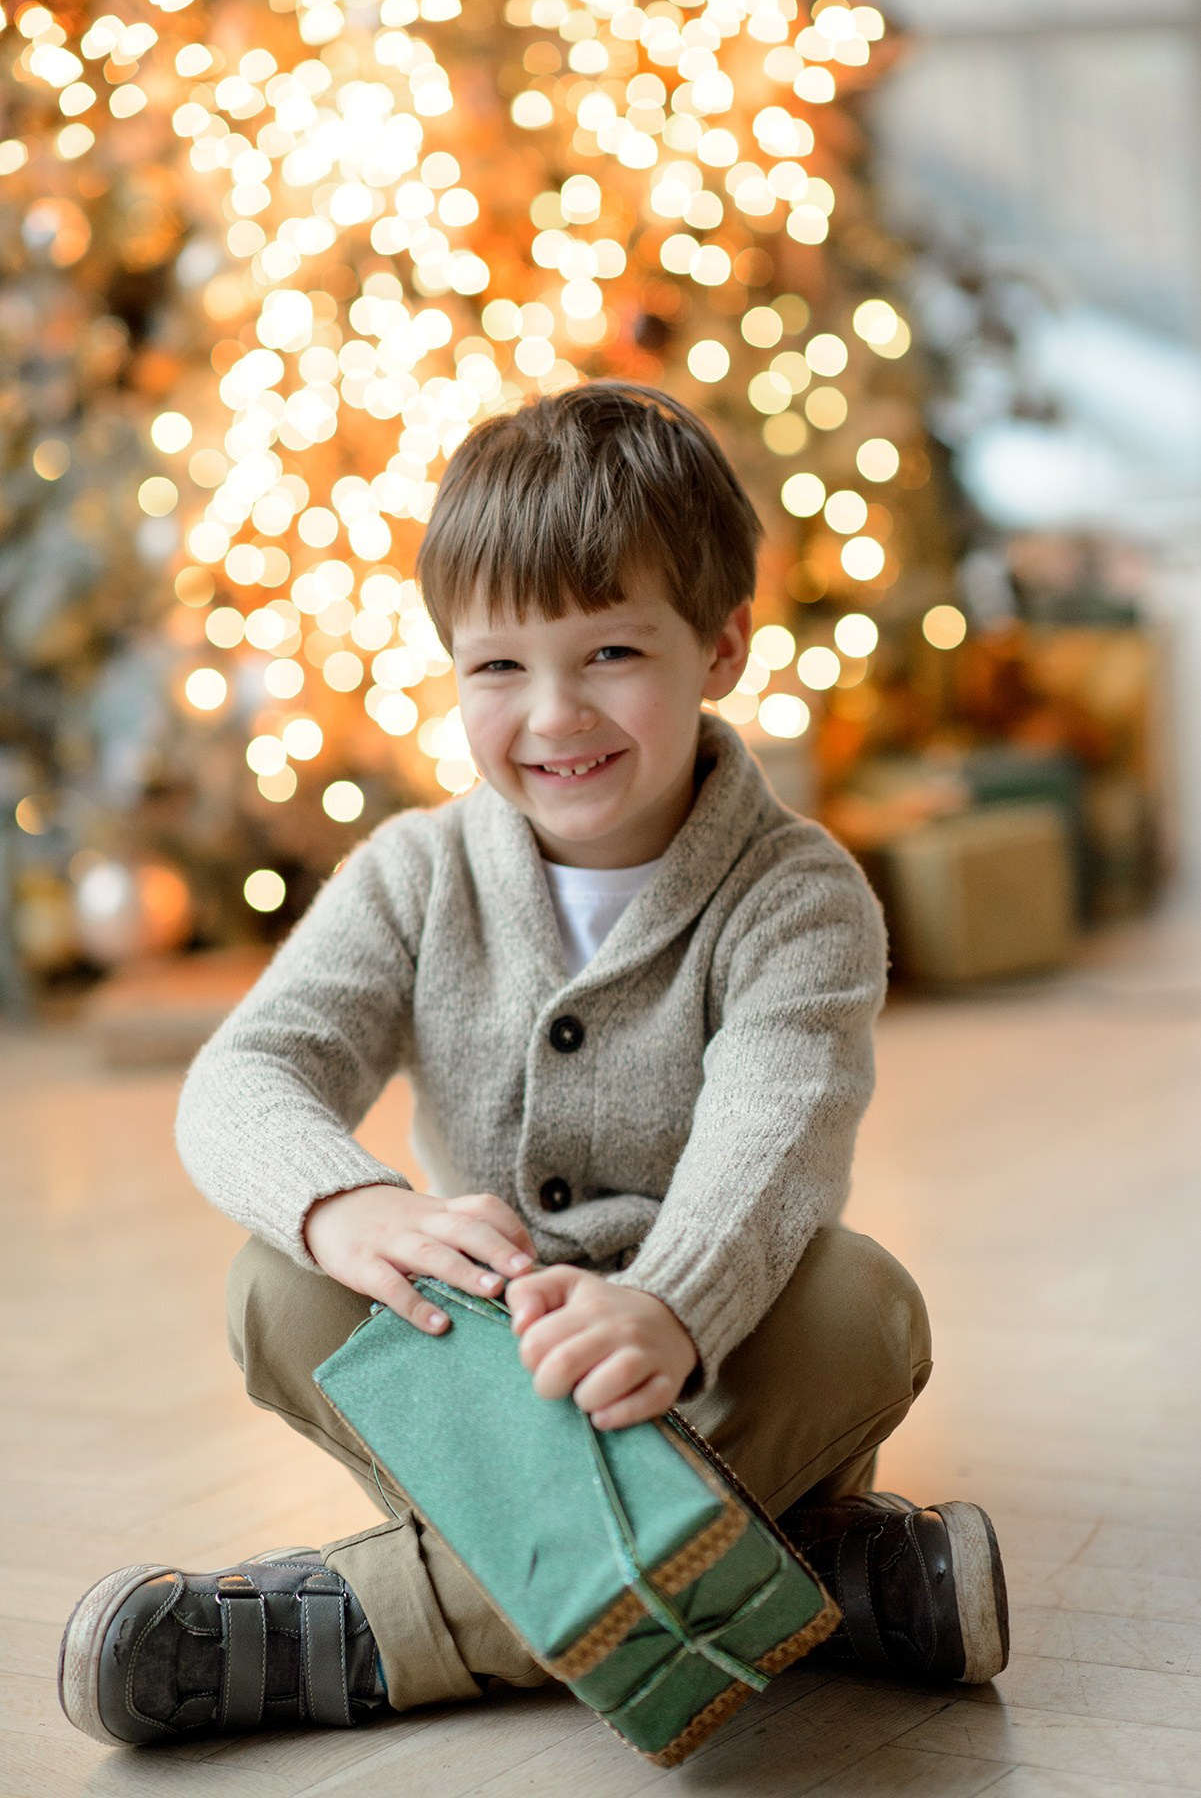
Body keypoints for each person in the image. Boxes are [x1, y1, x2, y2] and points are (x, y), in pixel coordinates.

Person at [58, 381, 1008, 1749]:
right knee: (277, 1281)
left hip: (716, 1371)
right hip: (493, 1390)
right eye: (497, 667)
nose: (554, 714)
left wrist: (668, 1307)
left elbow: (775, 1131)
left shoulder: (798, 897)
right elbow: (244, 1075)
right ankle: (812, 1582)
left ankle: (357, 1629)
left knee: (862, 1306)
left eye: (611, 652)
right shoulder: (413, 874)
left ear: (721, 647)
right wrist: (348, 1206)